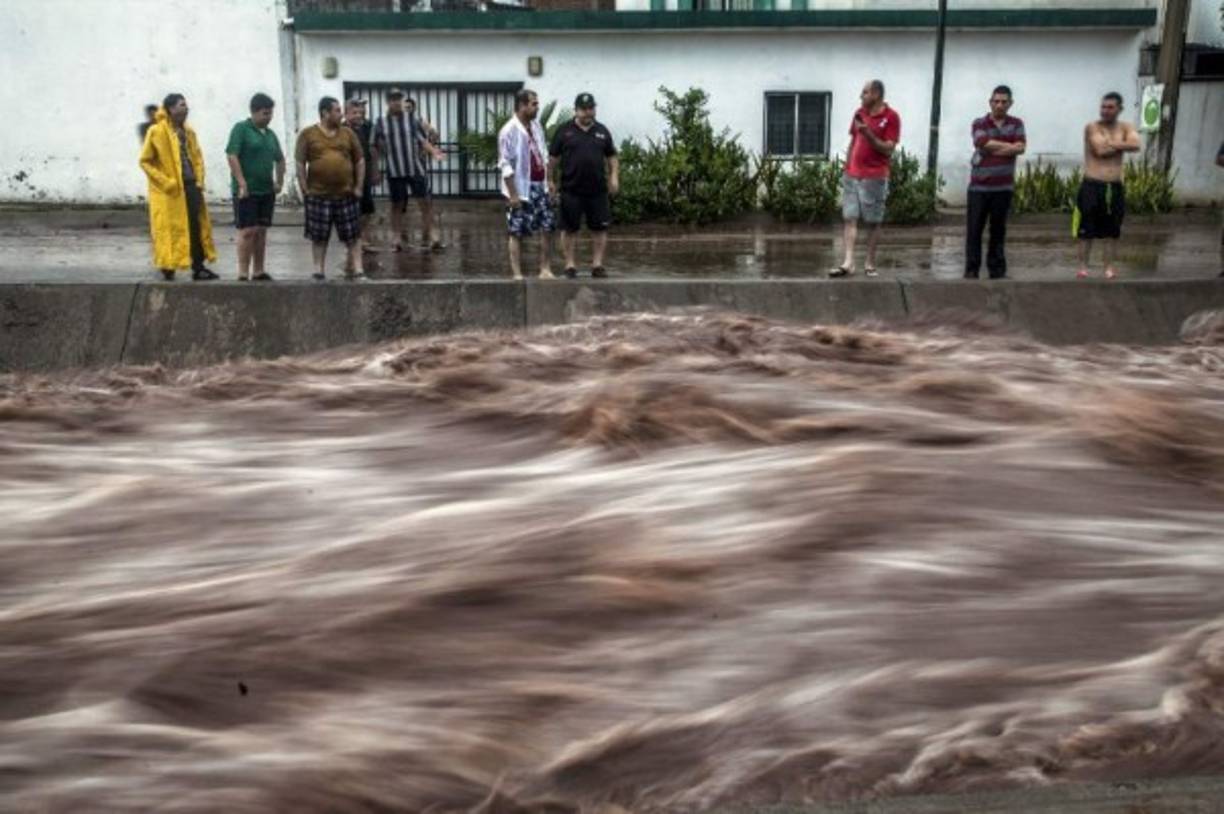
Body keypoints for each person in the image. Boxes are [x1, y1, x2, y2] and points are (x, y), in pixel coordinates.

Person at [138, 93, 218, 281]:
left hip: (190, 186)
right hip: (170, 192)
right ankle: (168, 264)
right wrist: (166, 182)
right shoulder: (156, 132)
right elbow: (145, 161)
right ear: (171, 109)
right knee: (169, 229)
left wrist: (199, 180)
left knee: (195, 226)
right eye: (182, 105)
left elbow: (197, 158)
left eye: (186, 105)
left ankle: (198, 266)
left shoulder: (189, 132)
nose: (186, 108)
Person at [831, 80, 900, 278]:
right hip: (853, 174)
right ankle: (848, 262)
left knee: (873, 221)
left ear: (876, 94)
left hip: (875, 177)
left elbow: (888, 148)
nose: (861, 96)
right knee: (849, 218)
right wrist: (847, 165)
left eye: (865, 92)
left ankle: (869, 262)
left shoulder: (891, 117)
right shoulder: (859, 113)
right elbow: (854, 139)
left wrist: (868, 134)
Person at [548, 92, 619, 279]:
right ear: (576, 110)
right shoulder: (564, 131)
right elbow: (553, 159)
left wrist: (614, 177)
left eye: (591, 109)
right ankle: (570, 265)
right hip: (571, 190)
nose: (588, 112)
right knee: (569, 229)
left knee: (600, 229)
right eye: (584, 109)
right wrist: (550, 180)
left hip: (597, 191)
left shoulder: (602, 131)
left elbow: (612, 156)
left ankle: (597, 265)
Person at [295, 96, 365, 281]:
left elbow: (359, 160)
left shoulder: (348, 134)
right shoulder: (308, 134)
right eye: (337, 110)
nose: (341, 114)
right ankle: (318, 270)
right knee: (319, 236)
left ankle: (358, 269)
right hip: (318, 195)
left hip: (346, 194)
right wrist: (304, 188)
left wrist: (358, 186)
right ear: (325, 113)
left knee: (353, 235)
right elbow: (300, 162)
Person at [1074, 92, 1141, 279]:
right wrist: (1122, 143)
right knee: (1086, 231)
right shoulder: (1092, 127)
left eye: (1110, 107)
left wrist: (1111, 142)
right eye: (1103, 107)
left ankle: (1108, 268)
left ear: (1120, 109)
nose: (1105, 111)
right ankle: (1083, 267)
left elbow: (1136, 144)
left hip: (1114, 186)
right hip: (1092, 185)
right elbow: (1101, 150)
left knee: (1112, 231)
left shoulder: (1126, 126)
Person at [372, 88, 445, 252]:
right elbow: (375, 145)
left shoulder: (412, 119)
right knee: (396, 205)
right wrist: (375, 168)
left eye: (398, 98)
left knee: (425, 203)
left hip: (415, 169)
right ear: (387, 102)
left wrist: (434, 151)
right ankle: (396, 238)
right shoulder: (381, 122)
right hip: (395, 170)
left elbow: (421, 140)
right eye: (392, 99)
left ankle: (433, 236)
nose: (396, 102)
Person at [965, 85, 1026, 280]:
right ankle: (972, 269)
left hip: (1003, 188)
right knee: (974, 230)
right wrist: (1009, 146)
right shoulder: (979, 122)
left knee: (998, 231)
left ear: (1010, 103)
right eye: (996, 101)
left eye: (1004, 101)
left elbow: (1021, 148)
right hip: (979, 188)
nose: (999, 105)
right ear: (990, 102)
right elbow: (981, 142)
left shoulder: (1017, 123)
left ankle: (997, 270)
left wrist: (993, 147)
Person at [225, 92, 285, 282]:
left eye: (270, 113)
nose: (269, 117)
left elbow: (280, 159)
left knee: (261, 230)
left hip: (266, 190)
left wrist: (279, 181)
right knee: (247, 230)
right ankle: (243, 272)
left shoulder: (270, 135)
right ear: (254, 112)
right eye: (265, 113)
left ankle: (258, 270)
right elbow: (232, 155)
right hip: (247, 190)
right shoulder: (241, 129)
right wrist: (242, 182)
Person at [498, 89, 556, 280]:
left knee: (547, 227)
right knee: (516, 231)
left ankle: (545, 269)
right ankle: (517, 273)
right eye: (534, 104)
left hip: (540, 184)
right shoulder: (509, 130)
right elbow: (505, 164)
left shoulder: (537, 126)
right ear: (522, 106)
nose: (537, 107)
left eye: (537, 103)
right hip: (521, 188)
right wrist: (513, 194)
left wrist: (549, 180)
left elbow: (544, 154)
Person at [344, 98, 377, 257]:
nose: (358, 115)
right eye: (354, 112)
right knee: (351, 210)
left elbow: (371, 150)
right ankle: (353, 241)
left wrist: (374, 171)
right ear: (346, 113)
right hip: (348, 176)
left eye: (360, 112)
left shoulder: (366, 127)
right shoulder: (342, 129)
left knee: (367, 209)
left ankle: (363, 240)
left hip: (364, 175)